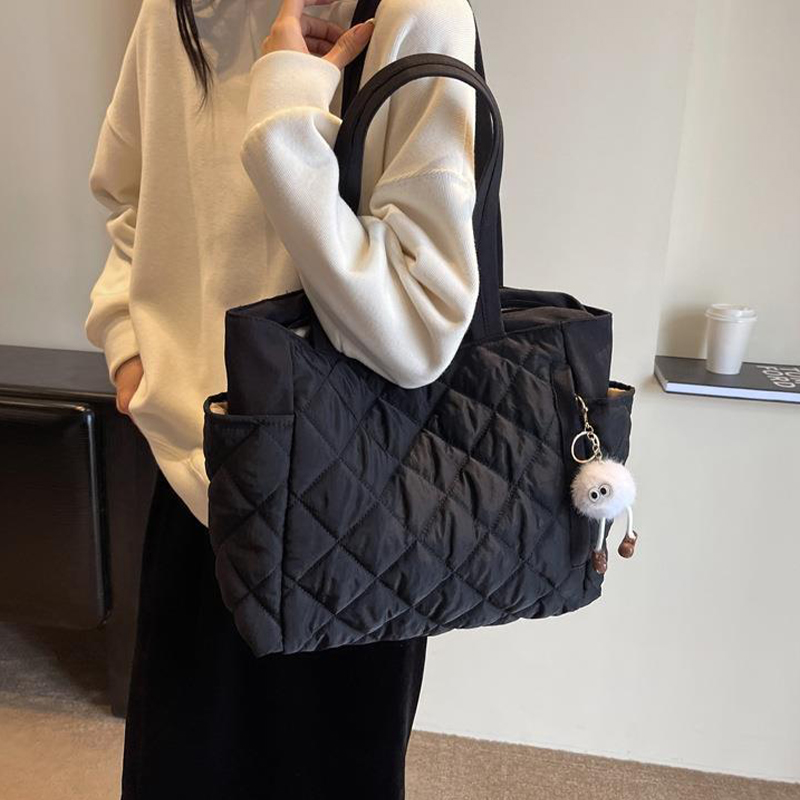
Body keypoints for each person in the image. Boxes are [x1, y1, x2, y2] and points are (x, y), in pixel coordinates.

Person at [85, 0, 482, 797]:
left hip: (351, 503)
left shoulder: (416, 15)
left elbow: (416, 329)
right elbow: (130, 197)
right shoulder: (178, 13)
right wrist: (126, 342)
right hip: (195, 473)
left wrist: (286, 120)